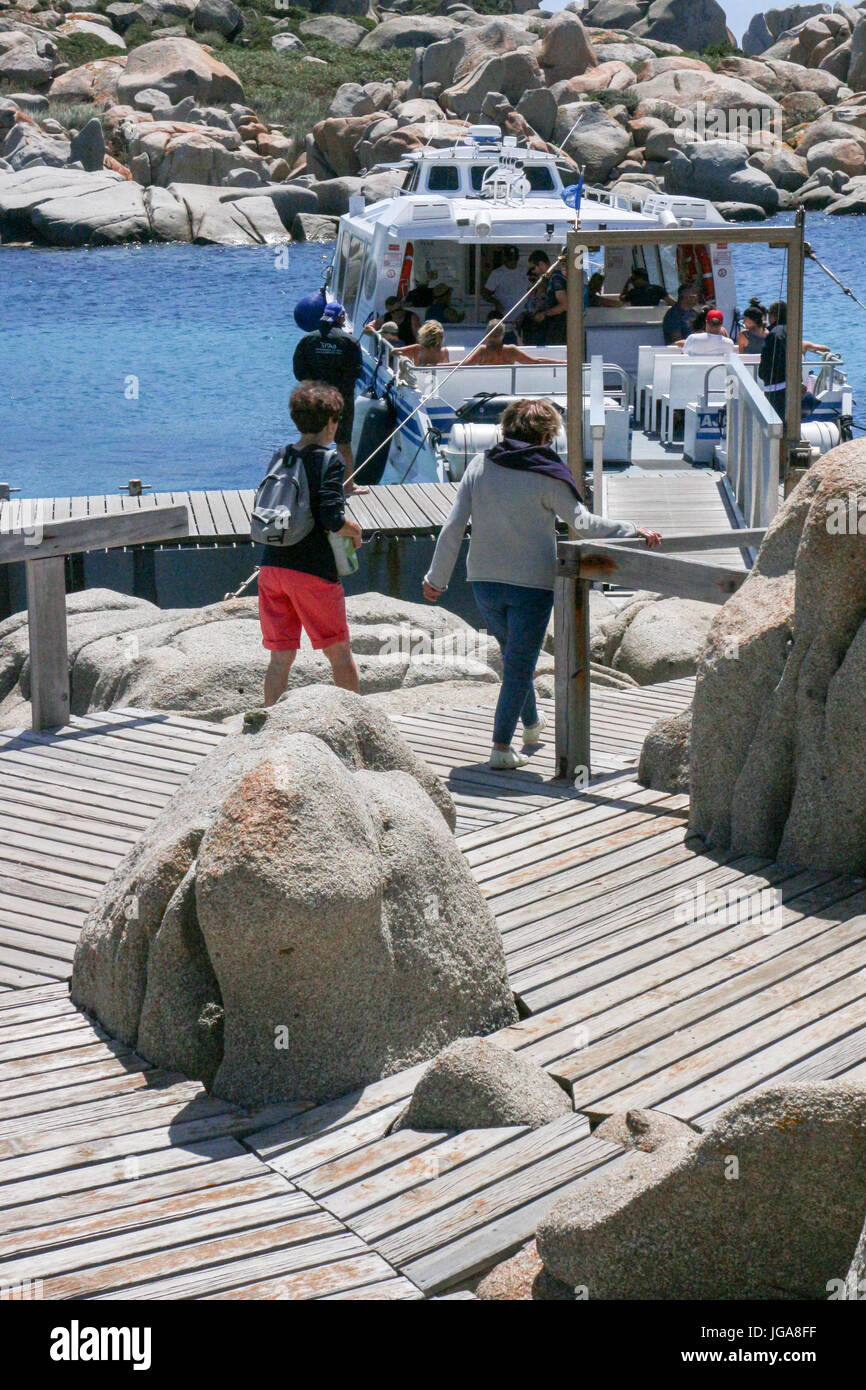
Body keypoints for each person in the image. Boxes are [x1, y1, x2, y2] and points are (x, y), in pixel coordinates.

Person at [421, 398, 661, 770]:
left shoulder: (479, 465)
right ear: (548, 435)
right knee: (519, 664)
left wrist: (436, 579)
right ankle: (501, 747)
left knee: (516, 658)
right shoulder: (548, 474)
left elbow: (453, 527)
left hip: (483, 581)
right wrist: (630, 529)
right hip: (531, 585)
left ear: (505, 429)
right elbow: (583, 524)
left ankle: (532, 726)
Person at [257, 381, 362, 706]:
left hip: (272, 566)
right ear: (331, 422)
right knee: (339, 653)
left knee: (280, 658)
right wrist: (355, 530)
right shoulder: (329, 460)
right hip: (312, 572)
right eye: (337, 420)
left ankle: (268, 722)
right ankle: (356, 723)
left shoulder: (281, 455)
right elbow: (331, 516)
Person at [292, 301, 364, 492]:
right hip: (341, 399)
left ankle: (307, 485)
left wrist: (317, 385)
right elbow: (356, 372)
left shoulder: (308, 340)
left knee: (312, 440)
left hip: (314, 398)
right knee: (343, 443)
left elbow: (299, 372)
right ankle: (348, 484)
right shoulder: (349, 341)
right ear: (340, 318)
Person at [759, 300, 831, 423]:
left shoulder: (775, 334)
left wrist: (763, 375)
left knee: (778, 427)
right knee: (788, 425)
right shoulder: (791, 332)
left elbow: (772, 362)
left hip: (776, 390)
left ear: (773, 316)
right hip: (791, 386)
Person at [464, 317, 560, 366]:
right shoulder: (510, 351)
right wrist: (562, 362)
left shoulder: (483, 351)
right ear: (503, 336)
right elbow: (536, 361)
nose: (492, 338)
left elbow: (464, 364)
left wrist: (562, 362)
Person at [526, 249, 568, 346]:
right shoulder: (550, 280)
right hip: (554, 327)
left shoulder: (556, 279)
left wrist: (544, 314)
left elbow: (565, 305)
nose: (533, 272)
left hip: (560, 327)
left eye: (533, 268)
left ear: (541, 264)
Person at [482, 246, 527, 322]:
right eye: (510, 259)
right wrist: (496, 302)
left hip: (522, 319)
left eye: (514, 259)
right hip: (503, 318)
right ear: (505, 258)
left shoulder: (525, 272)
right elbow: (485, 293)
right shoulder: (497, 273)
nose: (512, 262)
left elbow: (535, 289)